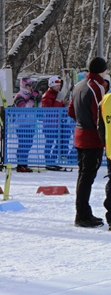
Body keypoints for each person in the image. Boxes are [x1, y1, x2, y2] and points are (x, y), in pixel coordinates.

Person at [68, 57, 109, 227]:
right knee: (87, 177)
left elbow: (71, 110)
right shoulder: (96, 87)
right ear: (102, 70)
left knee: (83, 176)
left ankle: (82, 211)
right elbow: (99, 115)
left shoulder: (79, 85)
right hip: (92, 138)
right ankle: (83, 214)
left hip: (79, 133)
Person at [12, 77, 39, 173]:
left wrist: (38, 99)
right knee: (23, 145)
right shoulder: (19, 96)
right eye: (29, 85)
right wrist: (32, 98)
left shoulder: (30, 95)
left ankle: (24, 164)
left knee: (28, 145)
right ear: (24, 86)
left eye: (31, 86)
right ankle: (20, 164)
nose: (31, 88)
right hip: (21, 125)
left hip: (30, 123)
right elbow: (24, 108)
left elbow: (36, 107)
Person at [40, 76, 65, 171]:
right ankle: (48, 162)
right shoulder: (47, 96)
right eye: (56, 85)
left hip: (57, 123)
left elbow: (60, 107)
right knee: (49, 143)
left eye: (59, 85)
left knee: (59, 143)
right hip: (49, 124)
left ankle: (53, 160)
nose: (58, 87)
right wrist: (58, 101)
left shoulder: (56, 94)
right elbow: (51, 110)